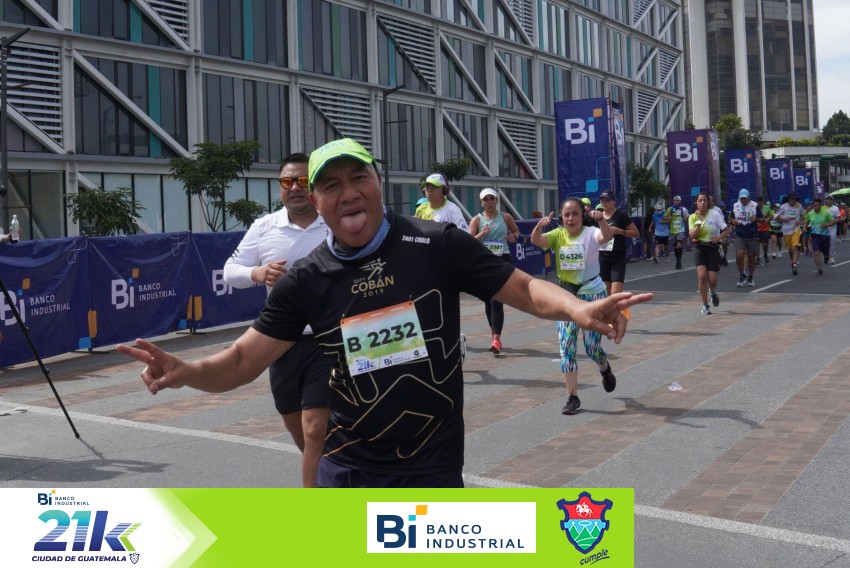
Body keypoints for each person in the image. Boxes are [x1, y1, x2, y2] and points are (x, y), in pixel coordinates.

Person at [117, 138, 653, 488]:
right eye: (331, 186)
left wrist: (579, 308)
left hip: (432, 467)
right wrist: (187, 371)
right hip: (348, 468)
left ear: (379, 183)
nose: (348, 194)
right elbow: (241, 361)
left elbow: (524, 289)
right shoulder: (308, 278)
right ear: (317, 202)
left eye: (359, 179)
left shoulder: (435, 243)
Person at [223, 152, 331, 488]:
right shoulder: (264, 226)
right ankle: (333, 477)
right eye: (287, 181)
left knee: (316, 428)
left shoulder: (334, 221)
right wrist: (257, 273)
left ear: (314, 185)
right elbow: (229, 271)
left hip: (329, 338)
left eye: (302, 181)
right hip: (280, 341)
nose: (295, 188)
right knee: (297, 427)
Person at [530, 198, 617, 416]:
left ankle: (605, 368)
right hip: (567, 298)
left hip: (592, 296)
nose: (571, 218)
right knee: (566, 347)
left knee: (591, 348)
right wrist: (539, 226)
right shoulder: (558, 234)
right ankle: (572, 397)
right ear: (561, 217)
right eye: (566, 214)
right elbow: (537, 241)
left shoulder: (590, 233)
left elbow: (606, 237)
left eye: (575, 214)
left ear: (582, 215)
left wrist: (601, 221)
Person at [468, 187, 520, 354]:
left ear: (497, 201)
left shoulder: (505, 217)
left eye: (492, 198)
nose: (489, 202)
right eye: (486, 199)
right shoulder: (477, 220)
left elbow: (516, 232)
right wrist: (481, 234)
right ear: (481, 202)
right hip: (484, 261)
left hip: (502, 259)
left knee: (496, 299)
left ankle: (496, 339)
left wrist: (513, 237)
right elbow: (469, 241)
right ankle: (495, 335)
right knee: (488, 300)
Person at [688, 192, 729, 315]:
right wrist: (699, 224)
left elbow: (726, 230)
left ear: (708, 202)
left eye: (704, 200)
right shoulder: (692, 217)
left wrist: (718, 238)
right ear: (696, 202)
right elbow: (692, 235)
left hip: (712, 248)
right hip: (699, 248)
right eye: (699, 200)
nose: (702, 203)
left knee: (712, 280)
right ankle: (705, 305)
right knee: (702, 277)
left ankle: (713, 292)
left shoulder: (715, 214)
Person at [597, 190, 639, 302]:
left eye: (607, 200)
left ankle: (616, 311)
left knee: (615, 292)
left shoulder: (621, 215)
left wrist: (620, 231)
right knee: (605, 291)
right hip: (603, 257)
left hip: (618, 257)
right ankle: (609, 313)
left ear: (613, 201)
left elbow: (636, 233)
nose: (605, 203)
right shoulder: (598, 216)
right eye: (602, 200)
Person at [728, 189, 762, 288]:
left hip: (752, 235)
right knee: (739, 254)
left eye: (745, 198)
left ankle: (750, 276)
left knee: (751, 256)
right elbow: (730, 218)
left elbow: (763, 219)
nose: (743, 200)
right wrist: (732, 221)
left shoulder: (755, 205)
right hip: (740, 234)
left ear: (749, 197)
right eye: (741, 198)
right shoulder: (735, 205)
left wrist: (756, 219)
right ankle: (742, 275)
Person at [803, 197, 835, 276]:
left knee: (826, 253)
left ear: (821, 205)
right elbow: (807, 222)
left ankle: (826, 257)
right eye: (815, 205)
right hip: (815, 236)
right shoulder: (810, 214)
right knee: (816, 252)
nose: (816, 207)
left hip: (825, 236)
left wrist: (826, 225)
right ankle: (819, 268)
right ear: (813, 206)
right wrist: (804, 227)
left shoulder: (826, 213)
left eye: (818, 205)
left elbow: (833, 222)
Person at [775, 193, 804, 275]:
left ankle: (794, 264)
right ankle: (793, 261)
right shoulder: (784, 206)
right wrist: (784, 219)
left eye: (795, 199)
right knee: (790, 250)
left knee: (795, 247)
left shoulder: (799, 206)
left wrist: (799, 221)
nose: (794, 201)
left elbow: (803, 215)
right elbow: (776, 217)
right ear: (788, 199)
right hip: (786, 230)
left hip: (796, 229)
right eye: (792, 199)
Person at [665, 195, 689, 269]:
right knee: (675, 246)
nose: (676, 202)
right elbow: (665, 217)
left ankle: (679, 261)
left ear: (680, 201)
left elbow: (687, 218)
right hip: (672, 230)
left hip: (680, 230)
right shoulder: (670, 209)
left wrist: (685, 218)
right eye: (675, 200)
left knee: (679, 244)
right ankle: (678, 260)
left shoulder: (683, 209)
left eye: (677, 200)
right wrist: (668, 218)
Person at [824, 195, 842, 264]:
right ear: (825, 201)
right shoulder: (823, 208)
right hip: (824, 228)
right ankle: (826, 256)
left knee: (832, 241)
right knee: (825, 243)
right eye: (827, 199)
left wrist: (833, 221)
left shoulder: (835, 208)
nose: (829, 201)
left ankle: (831, 256)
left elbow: (839, 218)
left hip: (832, 227)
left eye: (830, 199)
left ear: (832, 201)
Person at [755, 195, 772, 264]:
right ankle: (757, 258)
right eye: (758, 203)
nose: (759, 205)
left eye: (761, 203)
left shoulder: (767, 207)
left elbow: (771, 215)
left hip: (765, 229)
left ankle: (765, 254)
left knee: (764, 244)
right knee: (756, 244)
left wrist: (768, 219)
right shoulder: (754, 208)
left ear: (763, 202)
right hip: (756, 229)